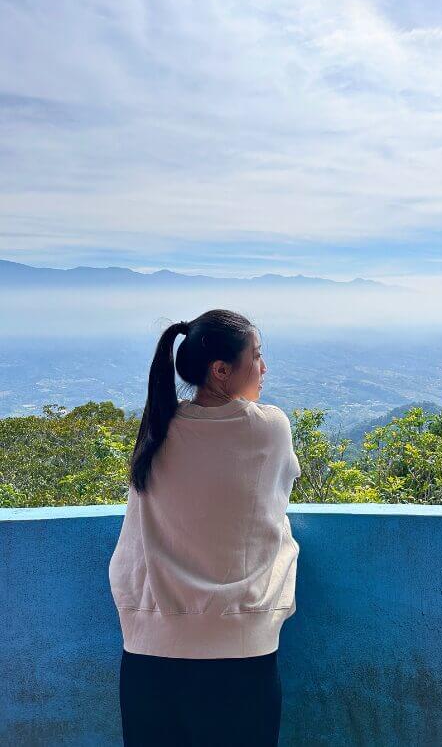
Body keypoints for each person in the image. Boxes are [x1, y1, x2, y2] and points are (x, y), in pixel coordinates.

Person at [108, 309, 301, 746]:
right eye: (256, 356)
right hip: (238, 651)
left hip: (147, 653)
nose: (263, 368)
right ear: (220, 371)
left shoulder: (157, 426)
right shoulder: (268, 428)